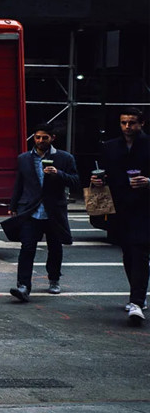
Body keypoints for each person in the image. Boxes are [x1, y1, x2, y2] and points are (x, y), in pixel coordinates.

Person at [7, 124, 79, 302]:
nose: (40, 141)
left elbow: (76, 181)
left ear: (52, 138)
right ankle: (23, 286)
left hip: (54, 210)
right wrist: (13, 205)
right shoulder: (24, 158)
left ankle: (54, 279)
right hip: (31, 210)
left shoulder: (64, 158)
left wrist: (58, 173)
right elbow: (20, 183)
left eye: (44, 138)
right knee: (27, 248)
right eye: (37, 137)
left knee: (55, 247)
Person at [93, 108, 149, 326]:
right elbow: (103, 173)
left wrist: (148, 182)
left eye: (132, 123)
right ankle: (138, 294)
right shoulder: (109, 147)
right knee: (128, 252)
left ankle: (136, 301)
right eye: (124, 122)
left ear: (141, 123)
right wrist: (98, 181)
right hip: (120, 208)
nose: (127, 127)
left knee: (140, 250)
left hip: (145, 207)